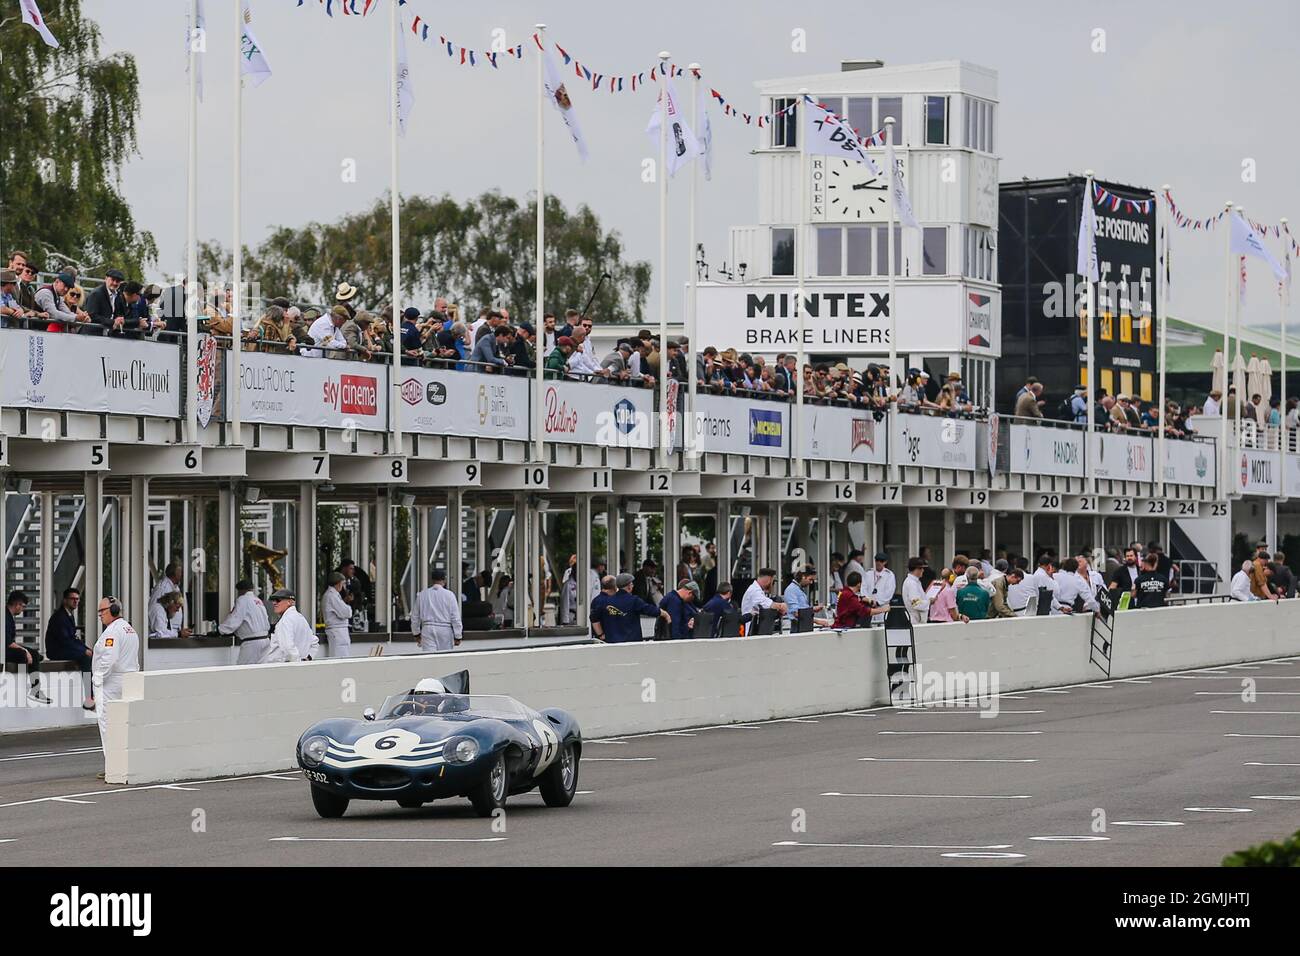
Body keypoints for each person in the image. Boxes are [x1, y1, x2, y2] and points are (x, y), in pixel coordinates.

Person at [91, 596, 140, 774]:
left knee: (107, 724)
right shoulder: (130, 629)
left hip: (111, 683)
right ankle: (124, 763)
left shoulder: (112, 632)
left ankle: (112, 764)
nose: (100, 615)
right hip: (127, 680)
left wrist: (97, 679)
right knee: (123, 724)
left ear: (112, 611)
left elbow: (108, 660)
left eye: (102, 611)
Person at [44, 588, 94, 706]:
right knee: (85, 658)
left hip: (64, 648)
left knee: (89, 654)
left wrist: (87, 649)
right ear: (65, 600)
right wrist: (83, 651)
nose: (76, 602)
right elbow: (66, 640)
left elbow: (73, 638)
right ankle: (89, 696)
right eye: (72, 599)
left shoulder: (69, 615)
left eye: (77, 599)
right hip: (56, 651)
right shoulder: (59, 617)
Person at [594, 573, 669, 643]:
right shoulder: (634, 601)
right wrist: (664, 613)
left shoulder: (606, 601)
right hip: (631, 643)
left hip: (612, 643)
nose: (633, 586)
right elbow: (649, 610)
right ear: (629, 586)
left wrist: (601, 635)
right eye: (632, 584)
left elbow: (594, 618)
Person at [7, 590, 51, 703]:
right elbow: (7, 641)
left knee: (35, 655)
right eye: (23, 606)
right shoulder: (5, 617)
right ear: (17, 604)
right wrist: (25, 651)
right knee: (24, 654)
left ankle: (35, 689)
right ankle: (30, 690)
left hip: (6, 648)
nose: (23, 609)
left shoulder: (8, 616)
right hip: (3, 650)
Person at [217, 580, 271, 665]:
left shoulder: (242, 600)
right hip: (265, 640)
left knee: (243, 671)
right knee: (260, 671)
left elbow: (235, 618)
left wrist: (221, 630)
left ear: (241, 590)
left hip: (252, 642)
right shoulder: (258, 600)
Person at [410, 569, 463, 652]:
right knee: (445, 659)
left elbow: (415, 617)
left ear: (432, 580)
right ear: (444, 579)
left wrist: (416, 633)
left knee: (430, 658)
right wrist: (458, 635)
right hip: (445, 629)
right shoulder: (449, 595)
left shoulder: (422, 594)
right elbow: (455, 617)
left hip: (427, 628)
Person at [267, 589, 317, 661]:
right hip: (299, 668)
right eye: (273, 600)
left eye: (278, 600)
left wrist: (296, 663)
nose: (274, 603)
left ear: (290, 602)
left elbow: (288, 648)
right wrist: (307, 659)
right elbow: (314, 643)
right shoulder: (301, 618)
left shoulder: (285, 621)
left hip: (283, 669)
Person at [321, 572, 354, 658]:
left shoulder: (333, 595)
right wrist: (349, 607)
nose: (343, 587)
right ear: (338, 583)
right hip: (337, 631)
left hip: (339, 631)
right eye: (343, 584)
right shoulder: (331, 596)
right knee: (340, 659)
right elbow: (346, 613)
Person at [901, 557, 930, 624]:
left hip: (917, 619)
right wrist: (929, 601)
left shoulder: (915, 582)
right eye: (921, 568)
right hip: (915, 620)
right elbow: (916, 603)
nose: (923, 570)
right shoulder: (912, 583)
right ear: (916, 569)